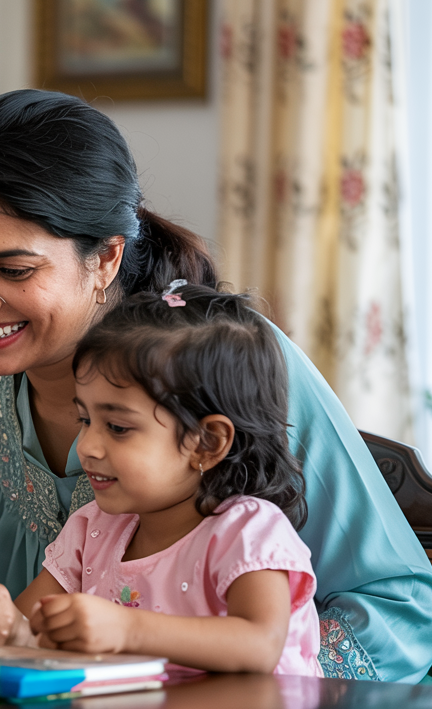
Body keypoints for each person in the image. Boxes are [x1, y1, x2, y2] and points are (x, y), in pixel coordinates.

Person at [0, 89, 432, 682]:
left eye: (14, 269)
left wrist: (210, 683)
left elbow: (399, 612)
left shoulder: (230, 366)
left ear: (105, 258)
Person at [21, 284, 320, 676]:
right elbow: (25, 627)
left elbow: (260, 645)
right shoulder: (91, 528)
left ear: (208, 443)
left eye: (117, 427)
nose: (87, 446)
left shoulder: (247, 531)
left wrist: (127, 629)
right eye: (85, 420)